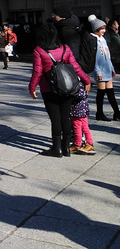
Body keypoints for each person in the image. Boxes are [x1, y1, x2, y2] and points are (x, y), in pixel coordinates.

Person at [29, 23, 91, 157]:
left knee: (55, 119)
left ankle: (56, 148)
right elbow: (75, 67)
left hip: (48, 89)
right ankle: (66, 147)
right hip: (67, 88)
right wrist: (86, 80)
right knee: (66, 118)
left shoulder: (39, 50)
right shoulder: (65, 48)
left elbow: (37, 71)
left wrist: (32, 87)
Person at [86, 15, 119, 121]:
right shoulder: (92, 39)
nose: (104, 31)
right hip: (99, 70)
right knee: (101, 92)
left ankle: (117, 113)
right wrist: (97, 70)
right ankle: (99, 113)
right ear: (96, 29)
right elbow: (94, 57)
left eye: (104, 28)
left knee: (110, 92)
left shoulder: (103, 39)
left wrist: (112, 68)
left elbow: (107, 55)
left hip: (107, 69)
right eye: (102, 29)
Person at [69, 81, 96, 155]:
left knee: (77, 127)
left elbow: (79, 95)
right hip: (83, 110)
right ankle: (89, 143)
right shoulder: (82, 84)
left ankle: (77, 144)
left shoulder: (77, 84)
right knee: (85, 127)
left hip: (77, 110)